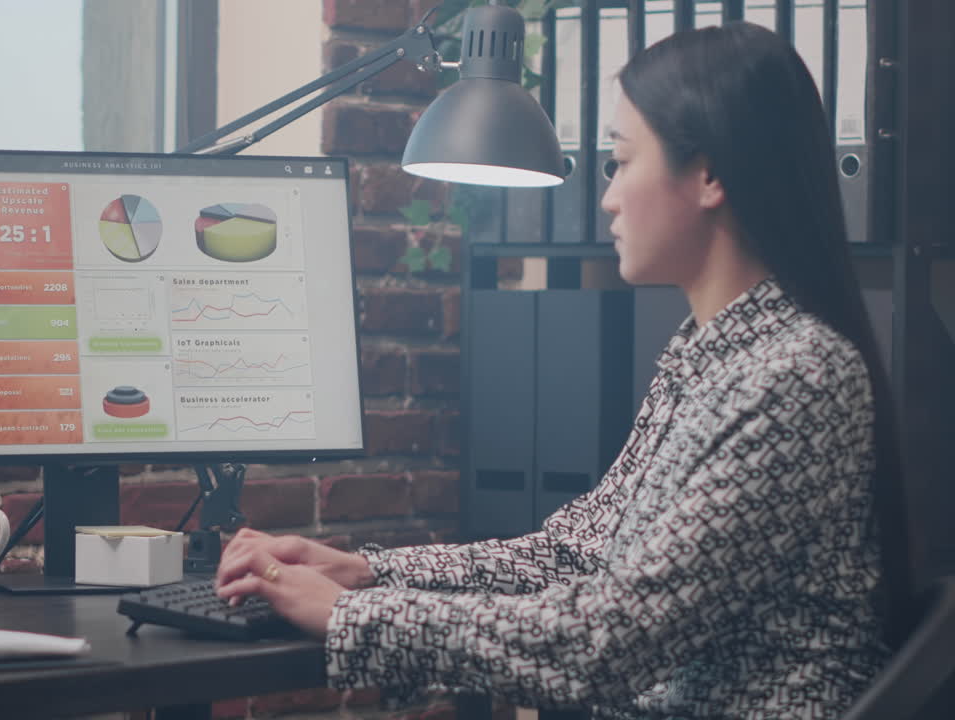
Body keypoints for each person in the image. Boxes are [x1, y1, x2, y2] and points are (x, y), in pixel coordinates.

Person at [215, 21, 912, 719]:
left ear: (708, 176)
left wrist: (348, 618)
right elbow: (575, 556)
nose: (607, 197)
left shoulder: (795, 378)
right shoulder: (708, 357)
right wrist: (367, 572)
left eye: (621, 161)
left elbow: (603, 643)